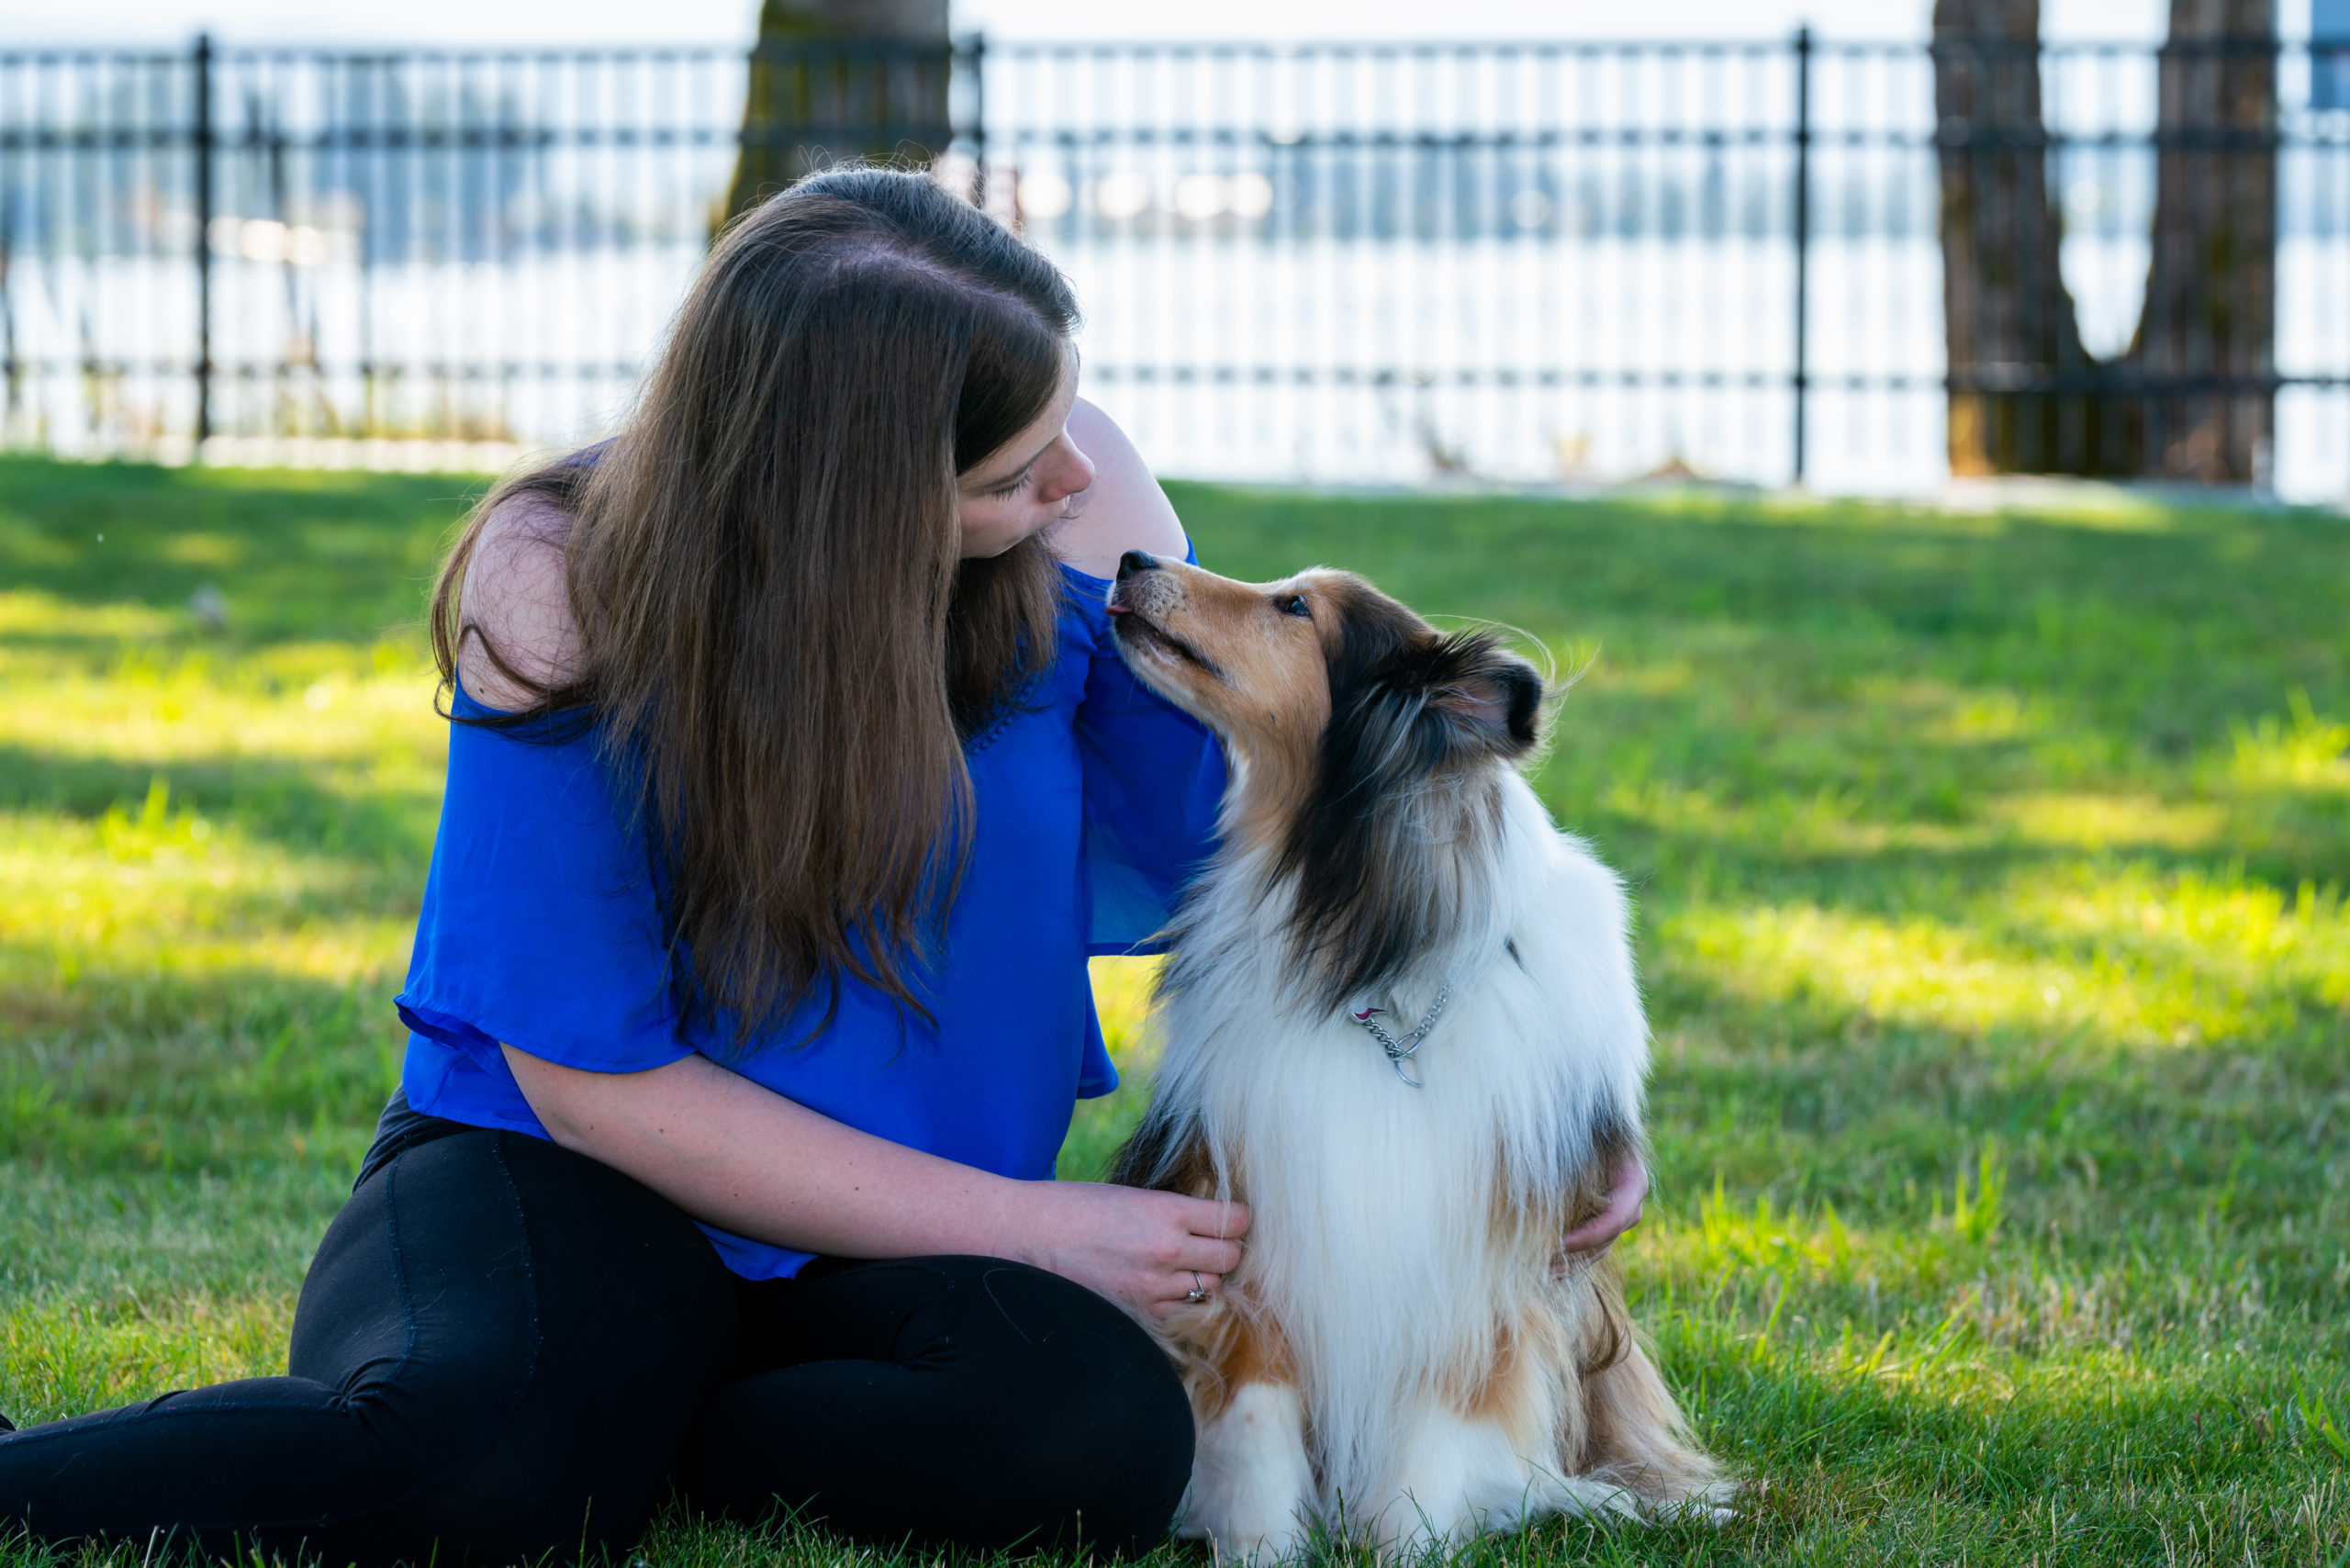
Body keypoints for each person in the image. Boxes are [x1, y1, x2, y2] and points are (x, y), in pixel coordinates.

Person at [0, 167, 1647, 1566]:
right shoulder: (560, 582)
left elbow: (1328, 843)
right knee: (479, 1466)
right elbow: (596, 1089)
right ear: (852, 485)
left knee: (1096, 1444)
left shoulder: (1077, 529)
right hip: (578, 1185)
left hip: (900, 1248)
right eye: (1013, 469)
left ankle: (651, 1422)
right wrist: (1040, 1228)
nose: (1075, 486)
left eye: (1066, 426)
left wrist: (1568, 1102)